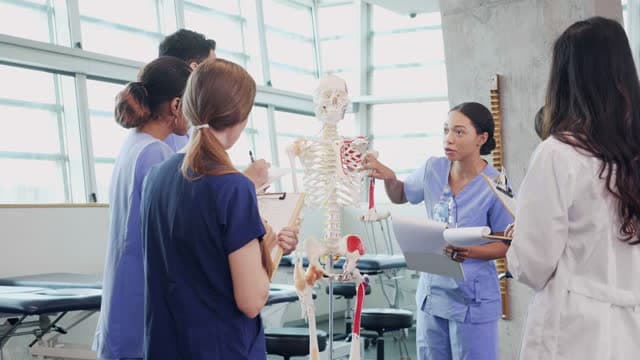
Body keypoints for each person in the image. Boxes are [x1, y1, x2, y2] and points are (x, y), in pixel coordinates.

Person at [506, 17, 640, 359]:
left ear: (566, 79)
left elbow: (533, 264)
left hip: (574, 329)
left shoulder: (559, 154)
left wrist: (517, 242)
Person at [141, 58, 280, 359]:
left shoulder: (156, 178)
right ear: (242, 117)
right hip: (222, 348)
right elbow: (251, 300)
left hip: (165, 346)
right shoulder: (234, 188)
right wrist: (266, 246)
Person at [364, 102, 513, 360]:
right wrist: (389, 177)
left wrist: (470, 252)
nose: (448, 139)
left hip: (472, 299)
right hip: (433, 295)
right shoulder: (433, 168)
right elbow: (401, 194)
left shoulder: (497, 184)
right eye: (446, 130)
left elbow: (504, 243)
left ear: (482, 138)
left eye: (458, 132)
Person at [93, 56, 192, 360]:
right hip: (141, 301)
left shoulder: (133, 145)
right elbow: (178, 234)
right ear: (176, 106)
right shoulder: (157, 154)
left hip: (123, 298)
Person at [159, 29, 269, 187]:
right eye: (213, 67)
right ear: (196, 70)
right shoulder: (172, 135)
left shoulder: (189, 130)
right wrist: (245, 184)